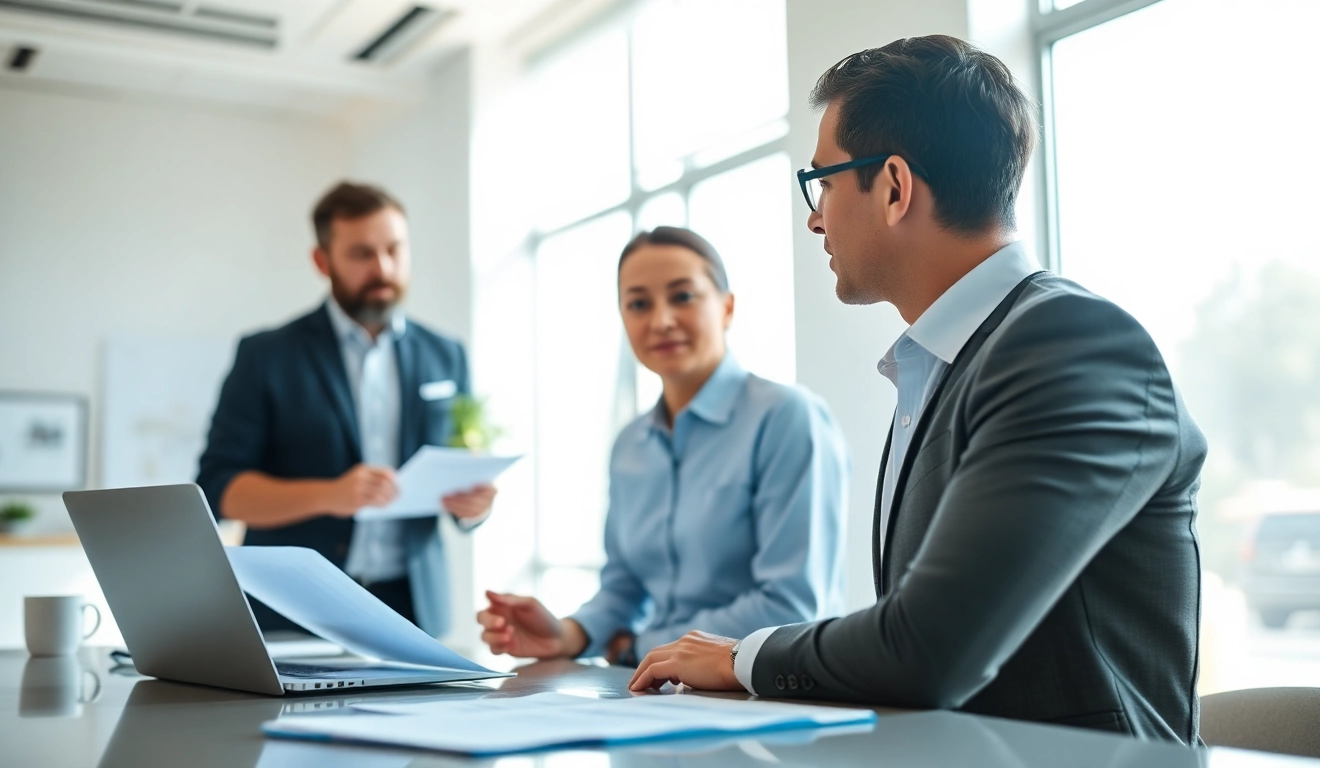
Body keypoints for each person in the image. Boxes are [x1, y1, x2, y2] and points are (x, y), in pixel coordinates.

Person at [628, 36, 1208, 745]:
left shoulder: (1070, 344)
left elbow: (930, 646)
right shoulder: (950, 360)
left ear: (894, 187)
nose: (815, 217)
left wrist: (743, 656)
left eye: (825, 183)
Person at [477, 226, 848, 665]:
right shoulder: (630, 445)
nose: (661, 320)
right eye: (638, 304)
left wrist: (638, 647)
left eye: (683, 296)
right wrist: (565, 634)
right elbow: (624, 589)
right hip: (657, 691)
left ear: (727, 307)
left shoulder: (787, 417)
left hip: (760, 692)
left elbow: (792, 607)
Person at [196, 181, 496, 638]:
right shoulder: (266, 355)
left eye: (395, 249)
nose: (383, 267)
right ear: (322, 261)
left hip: (414, 613)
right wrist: (329, 495)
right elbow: (219, 489)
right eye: (361, 254)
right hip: (294, 609)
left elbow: (462, 465)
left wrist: (473, 504)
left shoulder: (446, 354)